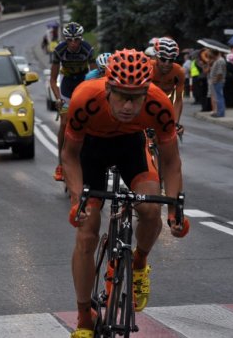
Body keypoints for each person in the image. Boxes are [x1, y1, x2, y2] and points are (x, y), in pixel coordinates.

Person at [62, 49, 189, 338]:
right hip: (91, 151)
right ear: (108, 88)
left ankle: (140, 262)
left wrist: (175, 210)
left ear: (147, 90)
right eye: (121, 95)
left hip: (132, 146)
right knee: (86, 230)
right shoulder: (85, 97)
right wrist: (75, 199)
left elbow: (171, 161)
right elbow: (69, 155)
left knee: (149, 210)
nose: (130, 105)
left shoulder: (157, 102)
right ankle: (84, 318)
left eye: (137, 96)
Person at [50, 22, 95, 181]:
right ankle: (61, 164)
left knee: (92, 122)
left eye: (76, 39)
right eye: (70, 40)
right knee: (64, 123)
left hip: (83, 83)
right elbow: (53, 79)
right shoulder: (59, 51)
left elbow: (96, 75)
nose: (74, 43)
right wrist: (58, 99)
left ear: (81, 38)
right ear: (65, 40)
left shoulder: (87, 49)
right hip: (67, 85)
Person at [151, 37, 185, 135]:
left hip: (166, 105)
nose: (166, 64)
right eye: (163, 59)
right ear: (156, 56)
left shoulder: (179, 72)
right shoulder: (148, 68)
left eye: (171, 60)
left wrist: (175, 122)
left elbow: (178, 100)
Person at [207, 49, 226, 117]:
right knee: (217, 97)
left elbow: (219, 73)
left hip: (218, 82)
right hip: (216, 81)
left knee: (219, 97)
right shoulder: (217, 60)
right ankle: (219, 111)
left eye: (210, 54)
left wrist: (215, 80)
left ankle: (220, 113)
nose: (209, 55)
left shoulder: (220, 61)